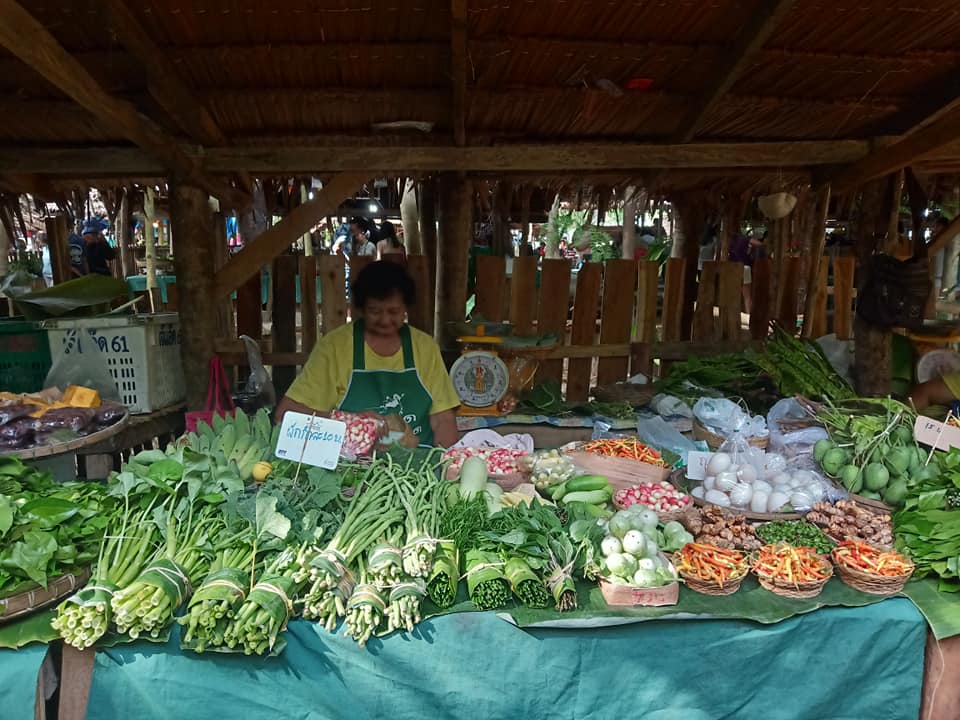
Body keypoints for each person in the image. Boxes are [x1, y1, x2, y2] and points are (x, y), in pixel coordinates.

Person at [275, 261, 460, 447]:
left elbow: (443, 419)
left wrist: (446, 458)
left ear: (406, 308)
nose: (385, 320)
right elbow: (286, 415)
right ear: (361, 308)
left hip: (420, 457)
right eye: (375, 311)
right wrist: (351, 423)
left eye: (394, 311)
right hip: (351, 461)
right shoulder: (335, 347)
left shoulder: (425, 347)